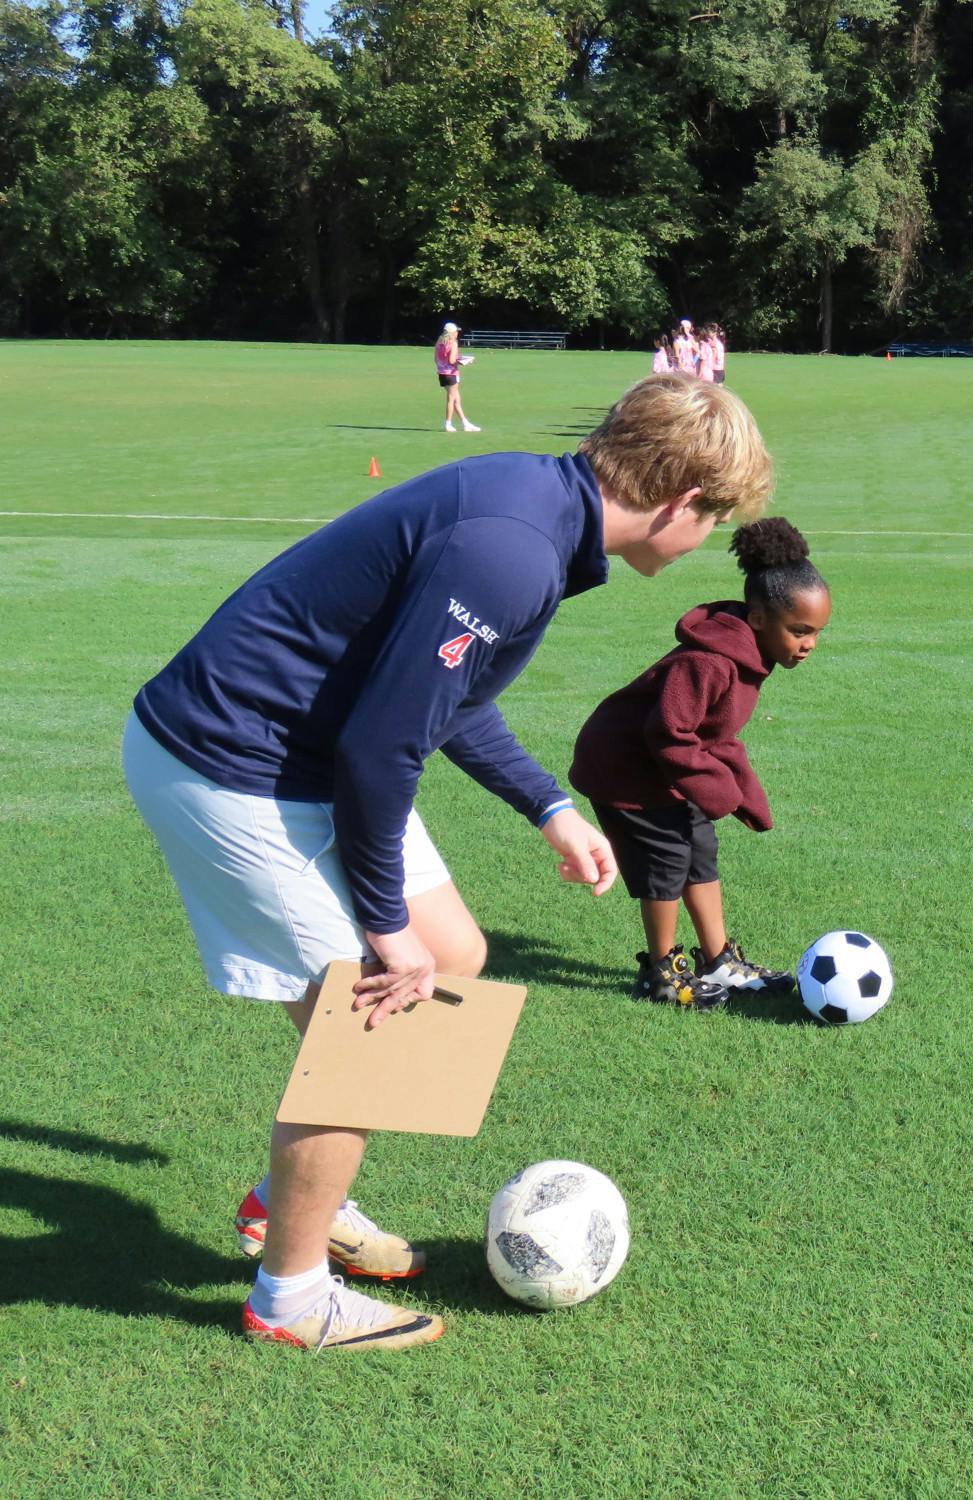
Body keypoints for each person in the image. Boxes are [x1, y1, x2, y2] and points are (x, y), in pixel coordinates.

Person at [122, 373, 774, 1352]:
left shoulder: (541, 509)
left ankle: (286, 1204)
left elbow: (449, 699)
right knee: (375, 1032)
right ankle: (289, 1299)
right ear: (681, 503)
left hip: (296, 755)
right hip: (230, 762)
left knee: (453, 957)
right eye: (710, 522)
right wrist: (382, 929)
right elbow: (380, 748)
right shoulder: (513, 551)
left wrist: (548, 806)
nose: (700, 544)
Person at [568, 518, 829, 1009]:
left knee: (699, 848)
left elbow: (718, 736)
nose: (809, 643)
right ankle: (661, 974)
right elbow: (668, 733)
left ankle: (719, 962)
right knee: (666, 860)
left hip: (662, 763)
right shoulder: (708, 662)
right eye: (799, 630)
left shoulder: (752, 658)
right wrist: (721, 792)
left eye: (816, 632)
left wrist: (745, 796)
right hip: (623, 767)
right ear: (757, 619)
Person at [434, 322, 480, 433]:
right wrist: (466, 361)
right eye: (456, 331)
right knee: (451, 399)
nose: (457, 333)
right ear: (452, 332)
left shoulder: (439, 341)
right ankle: (448, 424)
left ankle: (465, 423)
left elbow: (436, 359)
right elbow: (452, 360)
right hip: (451, 374)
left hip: (442, 374)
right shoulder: (453, 343)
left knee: (456, 400)